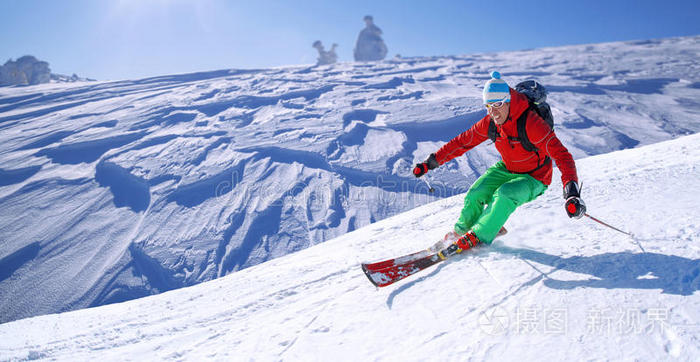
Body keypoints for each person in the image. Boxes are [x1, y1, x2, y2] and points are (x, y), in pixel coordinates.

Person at [413, 71, 586, 258]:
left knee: (504, 194)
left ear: (509, 101)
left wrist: (572, 193)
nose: (493, 112)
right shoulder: (491, 123)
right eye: (488, 106)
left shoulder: (531, 123)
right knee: (476, 193)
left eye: (498, 105)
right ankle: (461, 231)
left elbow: (563, 156)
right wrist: (430, 163)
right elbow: (462, 142)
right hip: (507, 168)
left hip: (535, 177)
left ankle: (479, 236)